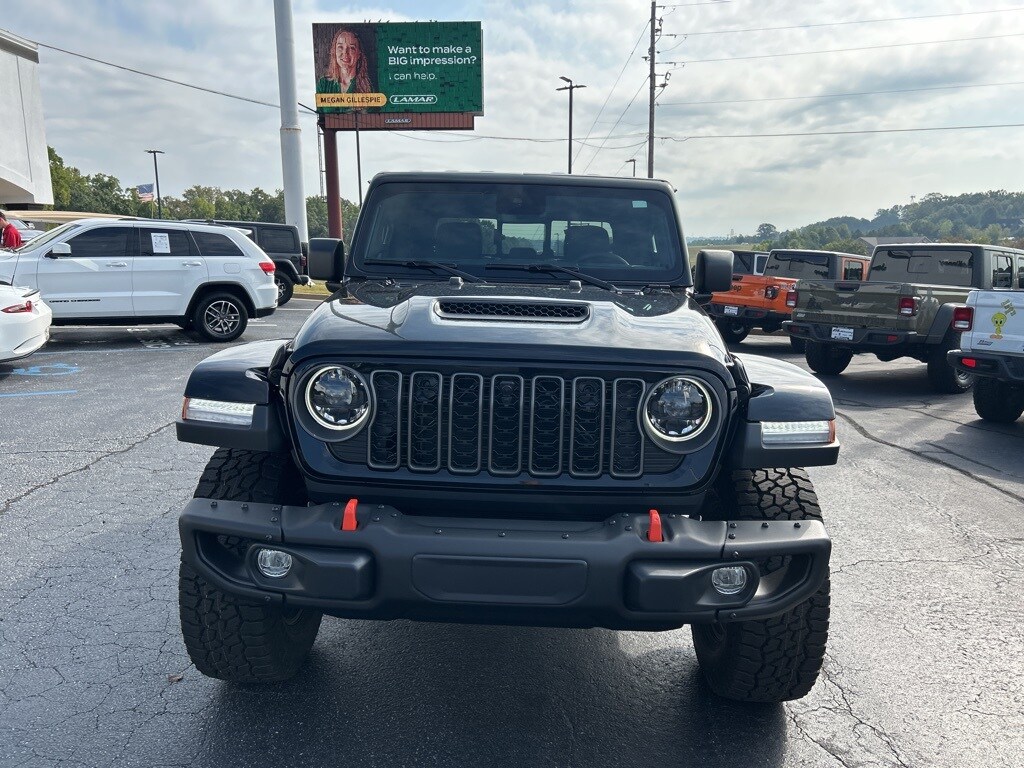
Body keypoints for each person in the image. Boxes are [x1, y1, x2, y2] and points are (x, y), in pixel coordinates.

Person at [320, 28, 373, 95]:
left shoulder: (368, 88)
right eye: (340, 47)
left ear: (359, 54)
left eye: (351, 48)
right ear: (334, 51)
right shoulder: (323, 84)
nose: (345, 53)